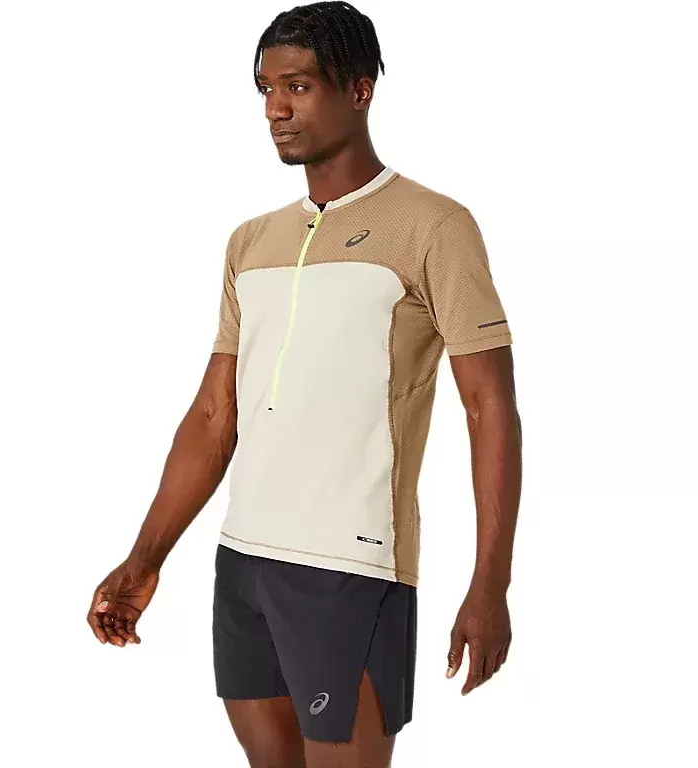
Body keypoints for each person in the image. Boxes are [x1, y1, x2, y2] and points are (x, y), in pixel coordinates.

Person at [86, 3, 523, 766]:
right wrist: (144, 556)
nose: (275, 110)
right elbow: (213, 415)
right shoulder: (252, 241)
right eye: (266, 89)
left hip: (351, 569)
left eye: (298, 86)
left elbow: (490, 409)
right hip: (242, 563)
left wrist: (492, 583)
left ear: (359, 89)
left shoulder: (433, 226)